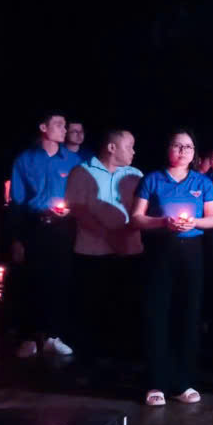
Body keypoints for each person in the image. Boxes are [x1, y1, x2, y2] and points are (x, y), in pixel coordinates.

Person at [130, 130, 213, 407]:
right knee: (157, 314)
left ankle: (183, 382)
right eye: (178, 146)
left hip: (191, 252)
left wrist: (194, 223)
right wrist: (162, 222)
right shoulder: (152, 179)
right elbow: (136, 217)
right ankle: (155, 382)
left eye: (188, 147)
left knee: (188, 314)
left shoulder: (203, 182)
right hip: (160, 250)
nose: (183, 151)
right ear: (168, 148)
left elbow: (212, 219)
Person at [64, 129, 143, 371]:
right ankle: (89, 366)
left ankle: (124, 362)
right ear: (111, 148)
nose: (133, 151)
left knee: (125, 308)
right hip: (93, 253)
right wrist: (109, 235)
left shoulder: (136, 175)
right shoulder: (82, 172)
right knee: (92, 310)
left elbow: (143, 210)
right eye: (129, 146)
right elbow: (79, 211)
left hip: (129, 252)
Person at [8, 112, 81, 358]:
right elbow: (17, 201)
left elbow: (80, 195)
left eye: (65, 125)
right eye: (58, 124)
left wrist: (71, 210)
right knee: (31, 280)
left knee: (60, 281)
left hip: (63, 228)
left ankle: (53, 336)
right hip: (35, 226)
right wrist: (17, 238)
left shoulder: (72, 160)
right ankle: (29, 337)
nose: (64, 129)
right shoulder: (25, 159)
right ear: (43, 127)